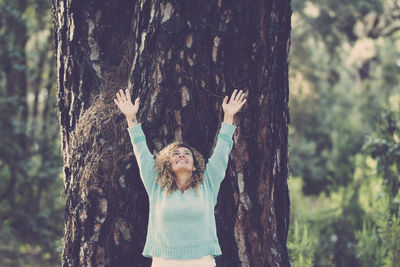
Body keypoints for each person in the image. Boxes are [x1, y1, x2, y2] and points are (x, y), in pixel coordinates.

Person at [114, 88, 246, 267]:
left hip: (202, 262)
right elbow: (141, 153)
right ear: (168, 164)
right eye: (175, 154)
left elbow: (222, 151)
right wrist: (131, 118)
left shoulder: (208, 184)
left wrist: (229, 117)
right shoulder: (156, 185)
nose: (181, 155)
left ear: (194, 165)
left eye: (186, 154)